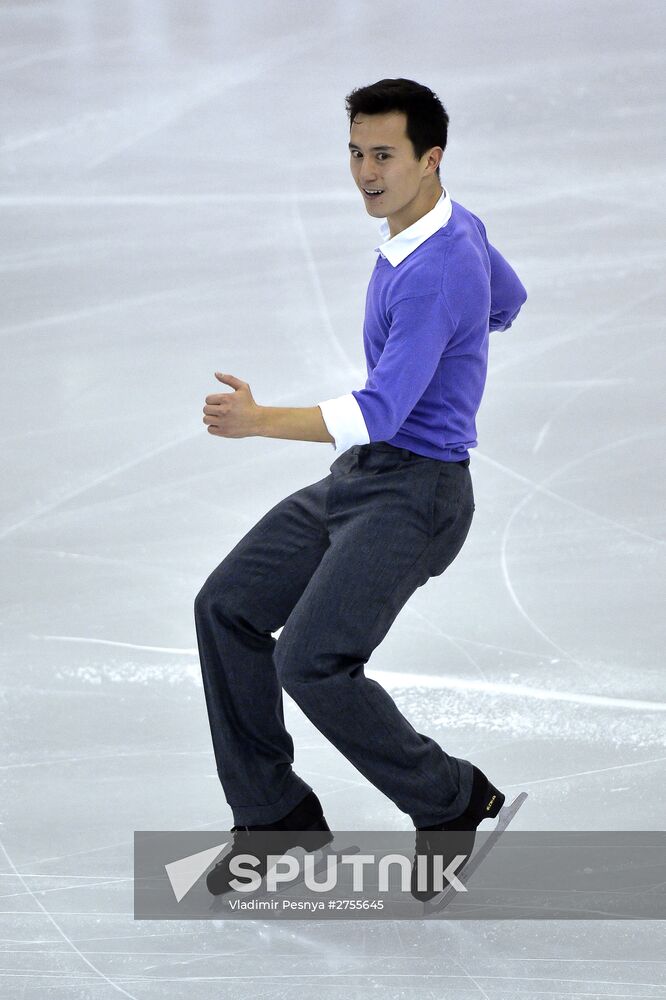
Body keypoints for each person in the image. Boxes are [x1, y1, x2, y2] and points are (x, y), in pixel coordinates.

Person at [194, 78, 528, 898]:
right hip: (364, 480)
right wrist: (455, 352)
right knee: (227, 606)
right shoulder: (445, 229)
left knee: (311, 661)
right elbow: (509, 301)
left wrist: (257, 419)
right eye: (356, 152)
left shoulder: (437, 269)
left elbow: (379, 411)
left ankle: (451, 798)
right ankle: (274, 816)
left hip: (418, 495)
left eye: (384, 155)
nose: (366, 173)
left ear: (430, 158)